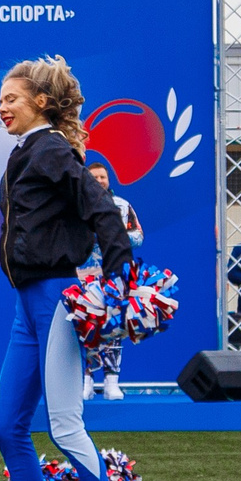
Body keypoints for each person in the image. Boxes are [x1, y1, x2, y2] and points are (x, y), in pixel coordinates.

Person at [0, 56, 141, 481]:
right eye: (1, 99)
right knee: (7, 426)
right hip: (27, 302)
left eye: (12, 99)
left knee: (64, 425)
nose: (2, 106)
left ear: (43, 104)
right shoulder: (29, 149)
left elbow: (100, 205)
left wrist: (120, 264)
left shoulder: (50, 146)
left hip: (55, 298)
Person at [82, 162, 145, 401]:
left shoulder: (123, 206)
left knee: (114, 327)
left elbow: (139, 236)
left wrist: (115, 235)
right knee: (86, 326)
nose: (99, 181)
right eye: (94, 177)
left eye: (103, 177)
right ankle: (87, 380)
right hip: (84, 275)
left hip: (116, 274)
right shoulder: (76, 206)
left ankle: (111, 381)